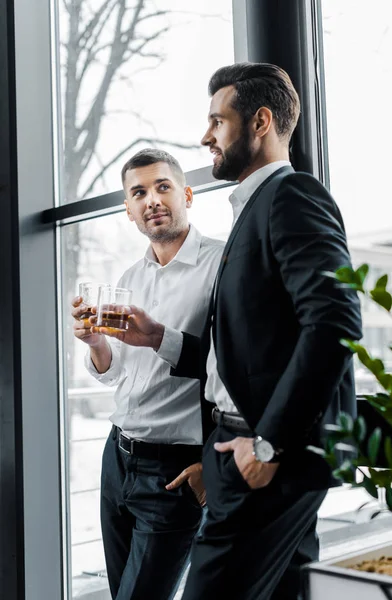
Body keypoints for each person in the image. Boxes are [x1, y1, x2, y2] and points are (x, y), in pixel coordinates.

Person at [96, 63, 363, 600]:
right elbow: (244, 356)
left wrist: (267, 445)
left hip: (261, 454)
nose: (206, 137)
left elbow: (335, 320)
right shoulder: (254, 209)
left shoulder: (291, 197)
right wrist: (154, 339)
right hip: (237, 449)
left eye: (217, 122)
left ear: (260, 122)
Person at [71, 148, 225, 600]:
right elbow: (116, 373)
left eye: (162, 187)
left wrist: (159, 336)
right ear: (129, 210)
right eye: (139, 192)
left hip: (173, 471)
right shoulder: (129, 277)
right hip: (117, 458)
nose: (151, 200)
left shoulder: (221, 264)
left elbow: (236, 365)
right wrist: (95, 342)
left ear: (187, 195)